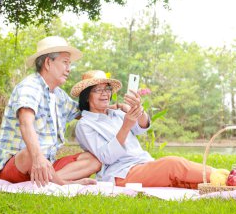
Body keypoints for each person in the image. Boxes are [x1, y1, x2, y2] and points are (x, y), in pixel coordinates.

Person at [72, 70, 215, 189]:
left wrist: (137, 109)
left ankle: (229, 181)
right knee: (173, 165)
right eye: (98, 90)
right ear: (86, 96)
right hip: (122, 173)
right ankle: (224, 176)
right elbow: (106, 157)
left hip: (143, 163)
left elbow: (142, 127)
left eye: (107, 89)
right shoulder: (85, 125)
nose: (105, 93)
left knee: (185, 180)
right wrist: (125, 126)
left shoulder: (117, 113)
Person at [0, 36, 101, 187]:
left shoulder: (59, 95)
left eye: (69, 64)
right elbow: (26, 124)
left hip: (46, 165)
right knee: (29, 153)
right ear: (48, 63)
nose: (69, 69)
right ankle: (62, 184)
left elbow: (86, 112)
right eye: (65, 62)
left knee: (93, 160)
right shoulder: (29, 87)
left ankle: (51, 180)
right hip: (20, 166)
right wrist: (37, 158)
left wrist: (115, 108)